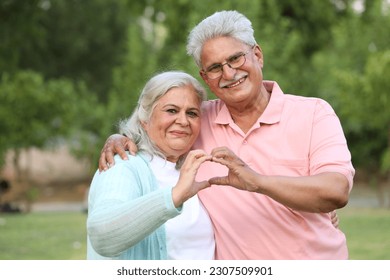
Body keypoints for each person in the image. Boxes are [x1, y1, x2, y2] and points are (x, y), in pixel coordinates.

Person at [99, 11, 355, 259]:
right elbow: (158, 127)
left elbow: (336, 190)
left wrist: (256, 181)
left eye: (236, 59)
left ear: (257, 54)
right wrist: (121, 138)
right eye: (215, 67)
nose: (229, 74)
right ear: (205, 78)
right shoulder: (197, 120)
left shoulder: (313, 113)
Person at [87, 71, 215, 260]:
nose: (183, 121)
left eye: (192, 113)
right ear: (144, 119)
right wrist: (173, 197)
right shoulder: (122, 166)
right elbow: (102, 235)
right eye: (171, 110)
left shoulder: (197, 166)